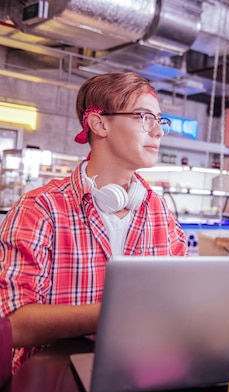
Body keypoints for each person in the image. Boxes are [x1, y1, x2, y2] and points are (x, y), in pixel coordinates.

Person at [0, 72, 188, 372]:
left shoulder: (158, 212)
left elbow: (182, 295)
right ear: (99, 124)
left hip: (143, 372)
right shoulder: (41, 208)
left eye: (159, 120)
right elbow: (13, 325)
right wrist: (113, 313)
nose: (158, 131)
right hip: (54, 382)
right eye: (143, 117)